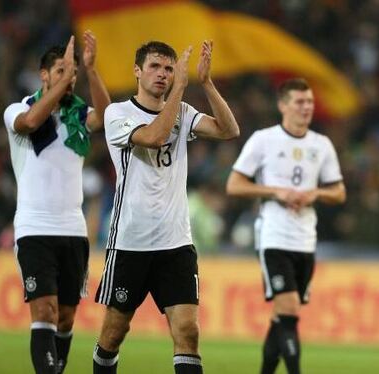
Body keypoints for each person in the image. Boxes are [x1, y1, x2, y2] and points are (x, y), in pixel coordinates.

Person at [92, 40, 239, 374]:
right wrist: (182, 89)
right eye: (155, 67)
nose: (163, 74)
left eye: (169, 69)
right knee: (114, 333)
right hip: (131, 243)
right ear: (138, 71)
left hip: (176, 243)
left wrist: (207, 84)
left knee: (187, 331)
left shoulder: (183, 112)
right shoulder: (118, 114)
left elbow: (230, 130)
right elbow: (155, 137)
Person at [3, 31, 110, 374]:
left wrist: (91, 71)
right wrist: (60, 85)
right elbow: (32, 123)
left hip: (73, 231)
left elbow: (107, 119)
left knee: (65, 317)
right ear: (44, 75)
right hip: (34, 227)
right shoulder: (19, 109)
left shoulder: (78, 116)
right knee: (45, 311)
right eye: (61, 71)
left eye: (72, 74)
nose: (69, 79)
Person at [226, 78, 346, 374]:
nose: (307, 108)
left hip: (305, 240)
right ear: (282, 105)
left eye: (310, 102)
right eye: (300, 102)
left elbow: (339, 192)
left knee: (283, 317)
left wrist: (316, 193)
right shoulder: (263, 140)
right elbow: (234, 185)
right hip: (273, 237)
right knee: (289, 311)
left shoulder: (321, 145)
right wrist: (274, 192)